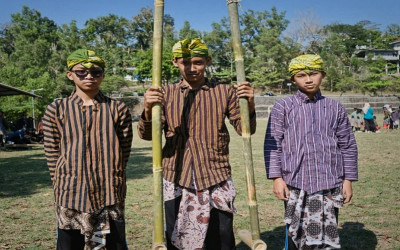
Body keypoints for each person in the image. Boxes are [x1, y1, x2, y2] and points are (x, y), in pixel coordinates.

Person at [137, 38, 256, 249]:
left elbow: (245, 129)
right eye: (185, 62)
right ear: (175, 62)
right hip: (176, 176)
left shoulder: (224, 92)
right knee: (177, 234)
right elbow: (147, 136)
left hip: (215, 174)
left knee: (220, 235)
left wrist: (250, 104)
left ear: (207, 61)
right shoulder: (164, 94)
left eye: (198, 62)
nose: (192, 68)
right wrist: (148, 109)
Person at [264, 54, 358, 249]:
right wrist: (277, 178)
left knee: (327, 233)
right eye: (301, 75)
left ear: (322, 74)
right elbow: (273, 145)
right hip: (294, 183)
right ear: (293, 79)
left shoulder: (335, 108)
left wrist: (348, 180)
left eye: (314, 74)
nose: (308, 79)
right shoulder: (283, 107)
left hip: (329, 182)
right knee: (295, 233)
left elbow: (347, 145)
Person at [43, 49, 133, 250]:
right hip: (71, 192)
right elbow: (51, 152)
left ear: (103, 74)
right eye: (81, 71)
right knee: (69, 243)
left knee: (112, 243)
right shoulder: (57, 109)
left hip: (110, 191)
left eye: (96, 71)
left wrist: (113, 173)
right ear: (70, 74)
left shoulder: (117, 109)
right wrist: (61, 180)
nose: (89, 76)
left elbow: (124, 151)